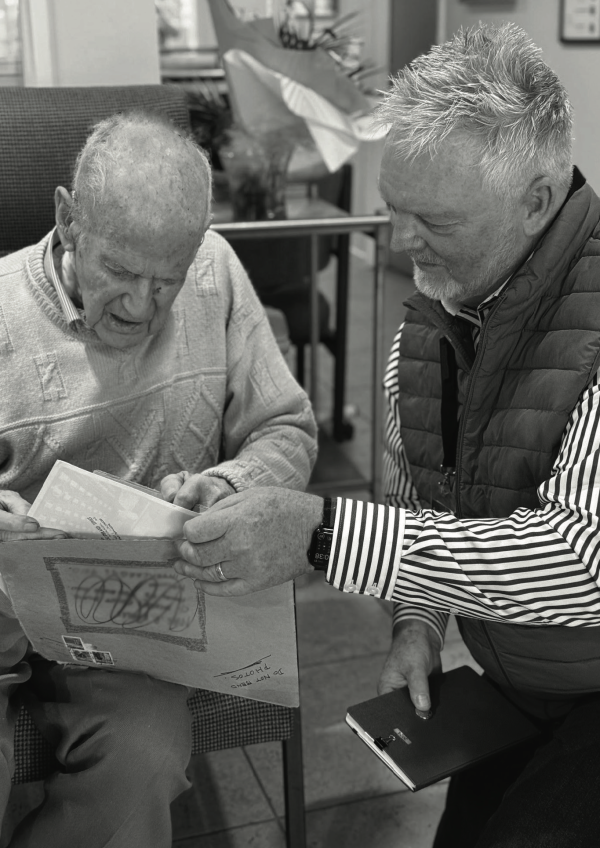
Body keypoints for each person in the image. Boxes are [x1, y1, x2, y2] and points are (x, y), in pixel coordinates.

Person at [174, 22, 600, 847]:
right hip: (520, 679)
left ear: (538, 201)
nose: (400, 246)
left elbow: (581, 562)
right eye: (393, 212)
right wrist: (418, 623)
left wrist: (323, 530)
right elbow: (421, 501)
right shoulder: (429, 329)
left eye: (432, 221)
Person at [0, 110, 317, 847]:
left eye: (164, 281)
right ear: (68, 220)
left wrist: (231, 485)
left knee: (145, 751)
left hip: (130, 628)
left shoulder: (215, 272)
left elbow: (287, 427)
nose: (142, 307)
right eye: (119, 271)